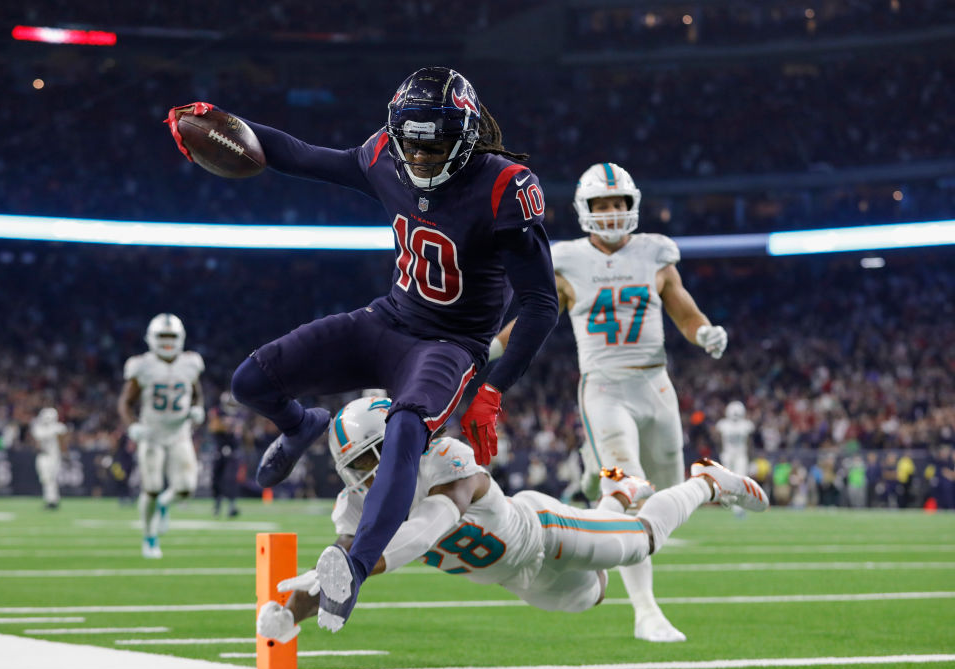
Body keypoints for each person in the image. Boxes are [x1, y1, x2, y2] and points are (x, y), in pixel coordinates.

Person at [166, 66, 559, 629]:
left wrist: (493, 389)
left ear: (468, 136)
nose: (421, 157)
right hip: (387, 320)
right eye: (412, 143)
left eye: (436, 143)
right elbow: (298, 154)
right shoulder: (382, 156)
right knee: (251, 382)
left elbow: (542, 303)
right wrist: (225, 124)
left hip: (450, 344)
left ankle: (353, 566)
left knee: (405, 428)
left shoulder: (503, 185)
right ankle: (302, 425)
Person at [256, 396, 767, 642]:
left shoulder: (447, 459)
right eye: (364, 463)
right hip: (514, 578)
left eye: (382, 454)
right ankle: (615, 496)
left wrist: (359, 564)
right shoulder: (353, 505)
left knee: (640, 542)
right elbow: (337, 571)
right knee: (595, 594)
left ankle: (707, 481)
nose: (377, 471)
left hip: (544, 533)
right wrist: (289, 613)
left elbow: (430, 525)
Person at [492, 162, 729, 642]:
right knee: (633, 488)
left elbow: (679, 303)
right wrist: (491, 348)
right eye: (603, 204)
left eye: (620, 203)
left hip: (657, 387)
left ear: (633, 205)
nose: (613, 211)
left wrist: (702, 330)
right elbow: (535, 317)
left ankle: (589, 471)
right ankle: (645, 612)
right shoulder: (568, 260)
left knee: (665, 492)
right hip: (603, 388)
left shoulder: (654, 252)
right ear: (586, 210)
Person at [118, 313, 206, 559]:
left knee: (186, 488)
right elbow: (125, 402)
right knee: (152, 488)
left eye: (172, 337)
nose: (167, 342)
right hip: (152, 433)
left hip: (179, 432)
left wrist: (198, 407)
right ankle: (149, 538)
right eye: (162, 337)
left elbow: (196, 392)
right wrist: (132, 425)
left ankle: (164, 507)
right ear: (151, 338)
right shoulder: (142, 365)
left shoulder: (190, 363)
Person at [715, 400, 756, 516]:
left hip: (740, 456)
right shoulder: (723, 424)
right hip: (728, 455)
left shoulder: (746, 425)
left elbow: (749, 443)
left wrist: (751, 458)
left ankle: (738, 507)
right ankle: (731, 503)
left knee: (740, 480)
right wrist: (720, 453)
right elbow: (718, 441)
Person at [209, 392, 243, 517]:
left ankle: (232, 506)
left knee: (231, 480)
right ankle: (217, 505)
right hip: (219, 451)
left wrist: (228, 424)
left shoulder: (239, 414)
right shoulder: (217, 412)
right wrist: (226, 425)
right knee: (216, 479)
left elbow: (238, 431)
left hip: (233, 452)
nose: (232, 406)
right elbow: (214, 427)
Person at [29, 407, 68, 509]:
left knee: (51, 479)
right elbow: (36, 444)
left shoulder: (58, 428)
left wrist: (64, 454)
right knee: (46, 479)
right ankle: (52, 499)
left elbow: (63, 443)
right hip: (44, 456)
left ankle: (52, 500)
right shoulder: (38, 428)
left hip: (54, 456)